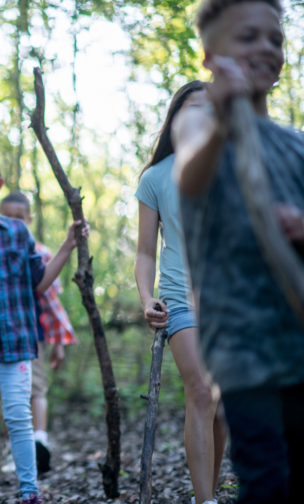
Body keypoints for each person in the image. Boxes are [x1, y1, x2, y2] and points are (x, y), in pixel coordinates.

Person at [173, 0, 304, 501]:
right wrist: (225, 115)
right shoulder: (200, 125)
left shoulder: (293, 146)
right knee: (266, 478)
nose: (266, 48)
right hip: (245, 353)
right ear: (209, 55)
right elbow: (190, 175)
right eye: (248, 37)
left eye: (275, 39)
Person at [0, 148, 89, 504]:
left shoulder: (17, 231)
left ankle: (29, 490)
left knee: (19, 417)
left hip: (15, 340)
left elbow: (39, 283)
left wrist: (68, 245)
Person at [134, 80, 227, 504]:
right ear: (175, 118)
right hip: (180, 297)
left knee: (223, 408)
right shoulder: (155, 177)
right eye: (193, 108)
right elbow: (145, 252)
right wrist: (145, 298)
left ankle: (207, 490)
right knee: (202, 392)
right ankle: (205, 499)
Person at [0, 191, 79, 474]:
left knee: (37, 388)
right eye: (7, 217)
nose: (13, 222)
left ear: (29, 219)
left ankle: (39, 441)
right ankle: (13, 449)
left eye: (19, 217)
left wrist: (59, 343)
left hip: (32, 336)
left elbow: (51, 302)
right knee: (8, 396)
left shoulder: (40, 251)